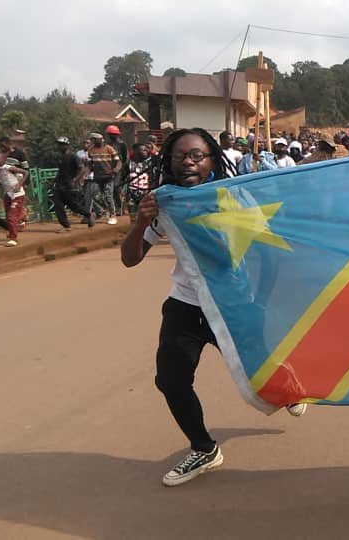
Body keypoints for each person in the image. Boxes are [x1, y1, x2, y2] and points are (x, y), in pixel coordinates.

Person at [121, 128, 256, 487]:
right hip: (186, 305)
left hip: (232, 305)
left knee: (266, 374)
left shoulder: (234, 197)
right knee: (170, 380)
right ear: (169, 161)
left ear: (212, 159)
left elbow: (266, 249)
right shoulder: (163, 203)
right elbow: (130, 259)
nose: (188, 161)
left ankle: (290, 387)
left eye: (197, 155)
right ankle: (204, 448)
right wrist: (139, 223)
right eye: (181, 155)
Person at [51, 136, 92, 231]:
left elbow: (82, 169)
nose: (59, 147)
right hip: (60, 184)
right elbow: (60, 171)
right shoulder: (60, 157)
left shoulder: (73, 156)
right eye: (59, 145)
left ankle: (88, 214)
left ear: (67, 146)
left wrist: (75, 179)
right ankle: (66, 225)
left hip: (70, 185)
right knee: (58, 205)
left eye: (62, 145)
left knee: (73, 206)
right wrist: (54, 180)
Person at [0, 151, 29, 247]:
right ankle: (23, 215)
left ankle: (13, 239)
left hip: (17, 194)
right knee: (9, 215)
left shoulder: (8, 167)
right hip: (8, 195)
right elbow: (3, 181)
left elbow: (26, 172)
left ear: (3, 160)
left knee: (11, 217)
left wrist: (19, 184)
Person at [86, 132, 121, 225]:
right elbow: (90, 165)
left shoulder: (109, 149)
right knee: (96, 196)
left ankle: (113, 215)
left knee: (109, 196)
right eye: (92, 139)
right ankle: (102, 211)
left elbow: (118, 161)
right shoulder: (91, 150)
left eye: (94, 139)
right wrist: (85, 175)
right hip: (97, 177)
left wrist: (116, 170)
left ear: (100, 139)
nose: (93, 141)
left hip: (108, 176)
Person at [124, 142, 158, 223]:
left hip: (147, 192)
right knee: (132, 214)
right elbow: (123, 176)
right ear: (136, 151)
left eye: (146, 150)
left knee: (149, 214)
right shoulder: (129, 163)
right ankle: (133, 227)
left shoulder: (152, 162)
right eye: (143, 150)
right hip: (132, 192)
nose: (145, 151)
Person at [106, 125, 129, 215]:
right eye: (110, 134)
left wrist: (123, 169)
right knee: (108, 189)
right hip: (109, 169)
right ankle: (113, 207)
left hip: (120, 170)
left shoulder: (122, 144)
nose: (111, 136)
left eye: (113, 134)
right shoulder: (107, 145)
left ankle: (119, 207)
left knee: (116, 187)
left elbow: (126, 158)